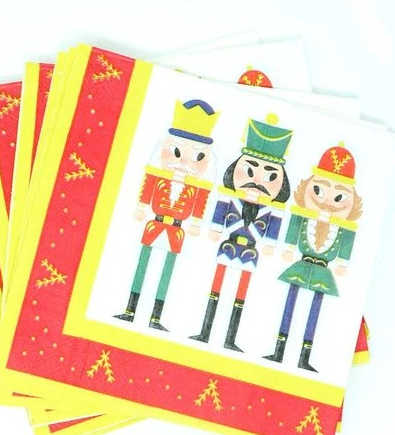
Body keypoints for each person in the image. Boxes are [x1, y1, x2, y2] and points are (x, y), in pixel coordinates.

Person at [189, 114, 292, 352]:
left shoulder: (272, 210)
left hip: (250, 252)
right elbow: (218, 217)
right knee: (216, 288)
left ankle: (230, 338)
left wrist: (270, 243)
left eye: (270, 176)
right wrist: (216, 228)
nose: (257, 182)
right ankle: (205, 332)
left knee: (240, 295)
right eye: (249, 171)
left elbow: (272, 232)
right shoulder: (229, 199)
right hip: (228, 244)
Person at [114, 99, 219, 331]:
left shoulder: (197, 186)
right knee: (142, 265)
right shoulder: (159, 176)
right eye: (177, 152)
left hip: (177, 229)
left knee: (166, 272)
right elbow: (148, 186)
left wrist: (197, 221)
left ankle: (156, 316)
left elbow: (200, 200)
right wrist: (141, 207)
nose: (183, 163)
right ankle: (131, 309)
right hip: (155, 224)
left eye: (197, 157)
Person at [263, 144, 363, 372]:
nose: (326, 203)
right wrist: (289, 246)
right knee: (290, 302)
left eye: (339, 197)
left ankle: (304, 355)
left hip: (323, 269)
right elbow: (293, 227)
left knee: (315, 310)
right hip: (301, 264)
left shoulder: (345, 227)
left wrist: (342, 262)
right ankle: (279, 349)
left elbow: (346, 243)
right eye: (318, 191)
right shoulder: (303, 215)